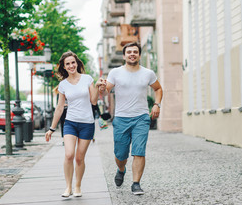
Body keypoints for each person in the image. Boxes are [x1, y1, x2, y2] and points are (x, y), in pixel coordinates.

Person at [99, 42, 163, 195]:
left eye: (135, 51)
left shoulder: (148, 73)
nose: (132, 54)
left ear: (139, 55)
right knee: (120, 155)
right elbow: (106, 91)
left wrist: (156, 104)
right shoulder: (115, 72)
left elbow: (158, 89)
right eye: (129, 52)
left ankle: (136, 183)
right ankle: (121, 169)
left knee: (139, 151)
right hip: (121, 118)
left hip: (141, 117)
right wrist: (101, 88)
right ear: (124, 55)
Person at [45, 51, 104, 198]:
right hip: (70, 122)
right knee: (69, 154)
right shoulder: (63, 84)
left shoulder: (87, 79)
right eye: (67, 64)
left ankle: (78, 186)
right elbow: (59, 108)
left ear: (77, 63)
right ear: (64, 67)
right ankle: (68, 187)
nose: (71, 66)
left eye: (73, 62)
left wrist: (97, 87)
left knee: (79, 158)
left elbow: (94, 101)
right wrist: (51, 129)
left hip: (87, 123)